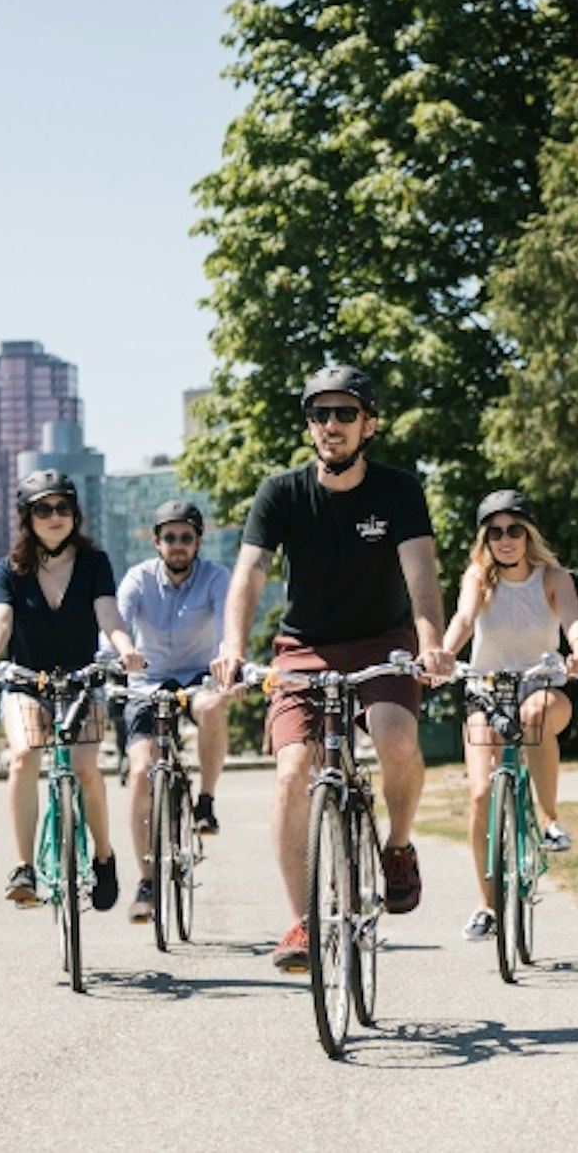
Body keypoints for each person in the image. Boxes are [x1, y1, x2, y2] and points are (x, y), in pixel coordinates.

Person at [211, 366, 454, 973]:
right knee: (294, 769)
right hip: (303, 647)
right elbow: (250, 573)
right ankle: (301, 921)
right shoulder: (281, 493)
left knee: (397, 736)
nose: (331, 426)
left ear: (369, 424)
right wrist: (233, 645)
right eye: (320, 414)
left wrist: (432, 642)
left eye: (345, 414)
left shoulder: (398, 491)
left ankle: (396, 847)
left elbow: (421, 575)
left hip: (383, 642)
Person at [0, 470, 143, 911]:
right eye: (43, 509)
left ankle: (103, 856)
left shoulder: (94, 563)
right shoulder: (8, 571)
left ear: (75, 514)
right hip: (27, 681)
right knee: (25, 755)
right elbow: (0, 620)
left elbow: (109, 615)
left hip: (83, 680)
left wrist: (125, 650)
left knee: (86, 768)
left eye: (62, 507)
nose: (54, 516)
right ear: (27, 517)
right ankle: (23, 866)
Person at [441, 490, 578, 942]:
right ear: (485, 539)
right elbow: (464, 618)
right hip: (486, 691)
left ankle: (548, 821)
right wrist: (444, 655)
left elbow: (573, 621)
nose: (505, 540)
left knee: (536, 715)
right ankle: (487, 905)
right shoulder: (478, 577)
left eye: (514, 530)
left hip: (541, 684)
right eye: (495, 532)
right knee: (481, 793)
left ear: (529, 535)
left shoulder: (553, 577)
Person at [116, 499, 231, 923]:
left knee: (215, 706)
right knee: (143, 772)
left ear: (198, 541)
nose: (178, 546)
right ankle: (146, 881)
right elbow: (116, 623)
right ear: (156, 541)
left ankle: (205, 801)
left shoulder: (217, 577)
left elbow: (226, 626)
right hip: (147, 680)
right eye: (170, 538)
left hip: (198, 676)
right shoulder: (137, 579)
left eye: (186, 538)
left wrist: (226, 660)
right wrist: (118, 653)